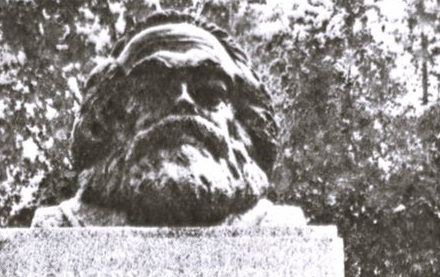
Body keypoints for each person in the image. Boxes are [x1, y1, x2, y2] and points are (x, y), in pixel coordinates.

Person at [32, 11, 305, 228]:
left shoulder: (281, 231)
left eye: (210, 91)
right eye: (154, 90)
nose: (183, 100)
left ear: (244, 123)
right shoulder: (60, 228)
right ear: (107, 118)